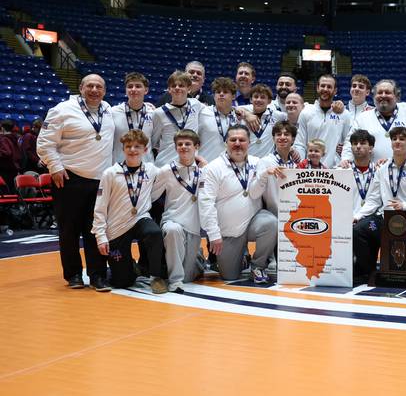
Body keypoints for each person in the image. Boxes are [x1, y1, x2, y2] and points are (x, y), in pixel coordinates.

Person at [37, 74, 114, 290]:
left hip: (99, 181)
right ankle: (73, 275)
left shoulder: (108, 110)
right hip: (69, 178)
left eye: (99, 86)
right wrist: (55, 167)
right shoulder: (62, 110)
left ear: (105, 91)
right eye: (89, 85)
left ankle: (98, 275)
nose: (94, 90)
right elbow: (44, 143)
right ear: (80, 88)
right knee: (69, 230)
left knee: (96, 230)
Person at [199, 124, 277, 283]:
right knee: (229, 276)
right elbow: (206, 203)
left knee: (271, 223)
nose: (237, 143)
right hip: (229, 232)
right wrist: (213, 235)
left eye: (242, 140)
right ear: (226, 142)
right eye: (233, 139)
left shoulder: (258, 162)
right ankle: (242, 258)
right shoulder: (213, 168)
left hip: (254, 222)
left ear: (249, 142)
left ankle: (258, 265)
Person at [92, 129, 167, 294]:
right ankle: (131, 267)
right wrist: (101, 236)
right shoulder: (110, 173)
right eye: (129, 146)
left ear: (145, 150)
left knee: (154, 232)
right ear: (123, 149)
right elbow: (100, 206)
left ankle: (155, 276)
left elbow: (173, 171)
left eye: (137, 146)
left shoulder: (152, 170)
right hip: (116, 226)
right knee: (122, 282)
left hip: (140, 218)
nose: (133, 150)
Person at [352, 127, 406, 284]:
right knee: (360, 230)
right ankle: (368, 272)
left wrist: (405, 205)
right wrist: (358, 216)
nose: (397, 142)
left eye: (402, 139)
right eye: (394, 139)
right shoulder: (382, 169)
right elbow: (373, 199)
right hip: (385, 219)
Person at [152, 129, 205, 293]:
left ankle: (198, 258)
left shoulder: (205, 170)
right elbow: (151, 196)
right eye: (180, 144)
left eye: (188, 144)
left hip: (194, 226)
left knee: (189, 277)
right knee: (172, 230)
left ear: (196, 146)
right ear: (175, 148)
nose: (183, 147)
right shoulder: (166, 171)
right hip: (173, 221)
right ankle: (175, 282)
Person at [341, 79, 406, 164]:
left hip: (404, 170)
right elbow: (350, 141)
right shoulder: (363, 118)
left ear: (397, 96)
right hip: (372, 171)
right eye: (379, 93)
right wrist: (346, 159)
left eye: (387, 92)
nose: (383, 96)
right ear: (374, 96)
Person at [294, 74, 352, 168]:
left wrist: (345, 159)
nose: (325, 89)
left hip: (335, 168)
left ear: (335, 91)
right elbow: (300, 143)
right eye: (322, 86)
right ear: (317, 88)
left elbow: (348, 141)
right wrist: (301, 165)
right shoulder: (306, 112)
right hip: (310, 169)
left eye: (329, 87)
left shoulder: (344, 114)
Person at [151, 70, 203, 168]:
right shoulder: (159, 113)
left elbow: (215, 109)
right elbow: (154, 142)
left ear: (189, 89)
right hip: (165, 165)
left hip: (189, 165)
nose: (177, 88)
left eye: (181, 85)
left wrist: (238, 109)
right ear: (169, 89)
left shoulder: (196, 104)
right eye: (174, 86)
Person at [251, 121, 299, 216]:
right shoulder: (265, 162)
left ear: (293, 139)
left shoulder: (295, 166)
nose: (282, 137)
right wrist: (265, 174)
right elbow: (253, 194)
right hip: (273, 217)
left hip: (294, 215)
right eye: (278, 134)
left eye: (286, 134)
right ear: (273, 139)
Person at [110, 72, 155, 163]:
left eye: (138, 86)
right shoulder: (113, 112)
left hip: (146, 167)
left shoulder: (153, 113)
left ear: (146, 90)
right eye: (130, 86)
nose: (133, 89)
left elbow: (156, 141)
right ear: (126, 90)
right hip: (120, 166)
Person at [197, 77, 241, 161]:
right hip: (206, 165)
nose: (221, 94)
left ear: (234, 96)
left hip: (230, 168)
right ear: (213, 96)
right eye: (218, 92)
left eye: (225, 92)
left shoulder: (239, 116)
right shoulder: (202, 112)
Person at [246, 84, 287, 158]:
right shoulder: (243, 113)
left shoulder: (276, 115)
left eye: (262, 97)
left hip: (268, 163)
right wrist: (247, 114)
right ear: (251, 100)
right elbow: (233, 109)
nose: (258, 100)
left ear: (269, 101)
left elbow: (293, 117)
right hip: (248, 162)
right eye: (256, 97)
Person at [349, 130, 377, 216]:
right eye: (354, 143)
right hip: (346, 219)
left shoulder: (378, 172)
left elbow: (377, 200)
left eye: (362, 143)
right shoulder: (342, 171)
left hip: (370, 219)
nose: (358, 146)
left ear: (371, 148)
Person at [0, 119, 21, 191]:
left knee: (6, 191)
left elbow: (7, 152)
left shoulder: (3, 139)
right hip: (14, 168)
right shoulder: (15, 138)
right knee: (13, 191)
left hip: (6, 169)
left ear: (2, 128)